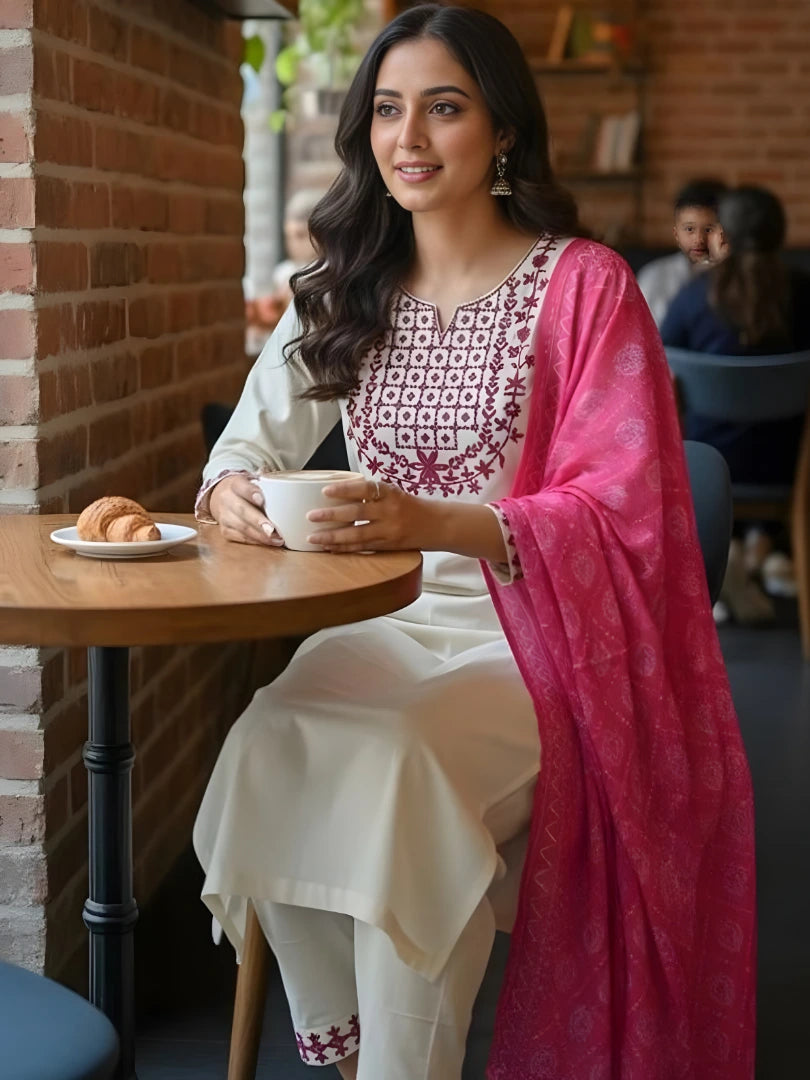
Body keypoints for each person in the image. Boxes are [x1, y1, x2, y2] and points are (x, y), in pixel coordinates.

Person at [193, 6, 756, 1078]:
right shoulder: (345, 287)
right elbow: (243, 448)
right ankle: (365, 1056)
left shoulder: (584, 287)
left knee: (402, 767)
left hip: (537, 641)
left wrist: (438, 523)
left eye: (443, 108)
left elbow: (629, 507)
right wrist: (228, 495)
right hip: (376, 623)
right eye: (388, 110)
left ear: (501, 130)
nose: (409, 137)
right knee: (268, 744)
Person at [661, 185, 810, 620]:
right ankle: (765, 552)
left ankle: (728, 557)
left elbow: (659, 367)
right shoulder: (804, 294)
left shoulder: (693, 298)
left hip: (707, 467)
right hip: (792, 466)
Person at [637, 177, 727, 325]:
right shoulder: (654, 278)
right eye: (690, 229)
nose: (698, 239)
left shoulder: (741, 279)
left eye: (709, 229)